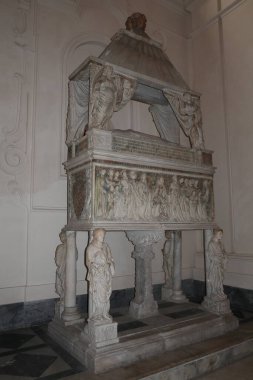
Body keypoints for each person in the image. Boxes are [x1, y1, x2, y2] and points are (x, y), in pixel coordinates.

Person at [86, 229, 115, 322]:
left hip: (106, 274)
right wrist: (95, 268)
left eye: (103, 235)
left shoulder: (106, 246)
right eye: (100, 235)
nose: (102, 237)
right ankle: (98, 314)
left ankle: (105, 313)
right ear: (95, 236)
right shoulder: (91, 247)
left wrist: (109, 263)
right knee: (98, 295)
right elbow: (89, 262)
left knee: (106, 294)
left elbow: (110, 258)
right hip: (97, 276)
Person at [207, 229, 227, 300]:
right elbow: (211, 255)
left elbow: (224, 252)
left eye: (221, 234)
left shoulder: (221, 244)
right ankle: (215, 292)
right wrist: (218, 258)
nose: (221, 236)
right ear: (215, 234)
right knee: (215, 279)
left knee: (220, 279)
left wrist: (224, 257)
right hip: (215, 265)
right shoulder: (211, 244)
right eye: (220, 234)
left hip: (220, 264)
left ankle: (220, 292)